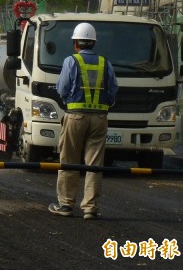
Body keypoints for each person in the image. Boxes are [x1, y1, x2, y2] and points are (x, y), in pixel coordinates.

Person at [49, 22, 118, 220]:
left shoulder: (71, 61)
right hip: (99, 118)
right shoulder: (105, 63)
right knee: (94, 164)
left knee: (69, 161)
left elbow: (62, 89)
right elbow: (113, 90)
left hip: (75, 116)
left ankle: (66, 205)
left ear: (75, 43)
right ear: (93, 42)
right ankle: (90, 208)